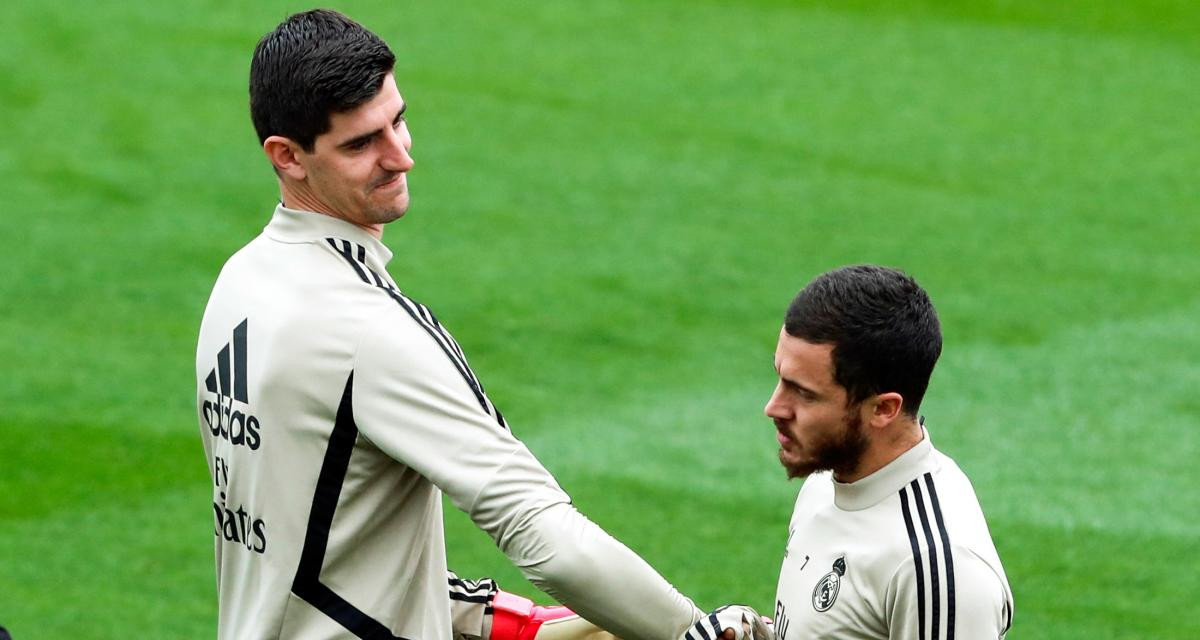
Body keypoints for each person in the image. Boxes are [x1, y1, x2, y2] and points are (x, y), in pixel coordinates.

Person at [194, 9, 767, 640]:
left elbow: (304, 550)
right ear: (288, 156)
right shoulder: (367, 329)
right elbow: (543, 534)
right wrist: (692, 632)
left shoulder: (239, 286)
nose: (400, 156)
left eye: (398, 120)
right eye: (361, 143)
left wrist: (508, 623)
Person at [763, 265, 1014, 639]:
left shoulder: (933, 566)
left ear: (883, 409)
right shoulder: (825, 483)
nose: (774, 407)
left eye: (804, 393)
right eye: (780, 377)